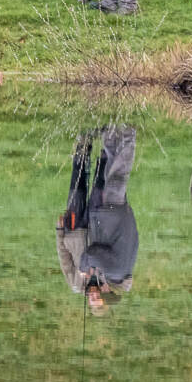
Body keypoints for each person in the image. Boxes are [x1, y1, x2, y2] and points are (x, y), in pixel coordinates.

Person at [55, 126, 139, 315]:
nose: (94, 298)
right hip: (95, 224)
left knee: (77, 181)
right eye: (99, 301)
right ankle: (107, 137)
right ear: (104, 295)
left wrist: (60, 233)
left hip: (74, 229)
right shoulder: (108, 276)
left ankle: (83, 142)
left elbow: (64, 259)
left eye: (92, 303)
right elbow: (97, 252)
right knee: (100, 181)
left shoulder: (76, 285)